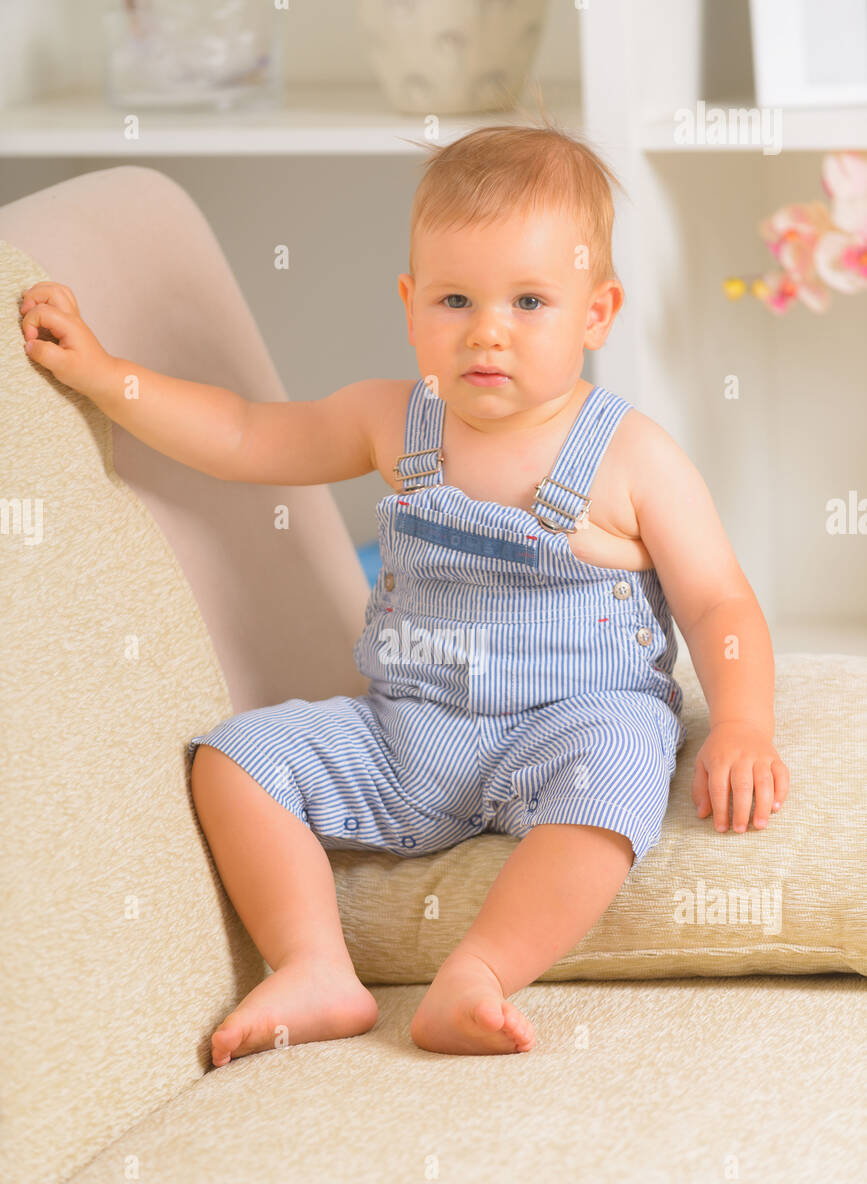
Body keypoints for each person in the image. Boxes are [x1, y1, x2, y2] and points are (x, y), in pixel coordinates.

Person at [18, 121, 789, 1060]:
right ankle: (311, 966)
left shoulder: (630, 455)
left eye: (530, 301)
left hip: (572, 725)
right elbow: (241, 433)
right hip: (408, 733)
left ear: (596, 313)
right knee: (234, 759)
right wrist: (106, 377)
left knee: (623, 775)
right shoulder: (391, 420)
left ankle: (482, 970)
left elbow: (717, 602)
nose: (486, 330)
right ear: (409, 303)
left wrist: (743, 724)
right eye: (454, 298)